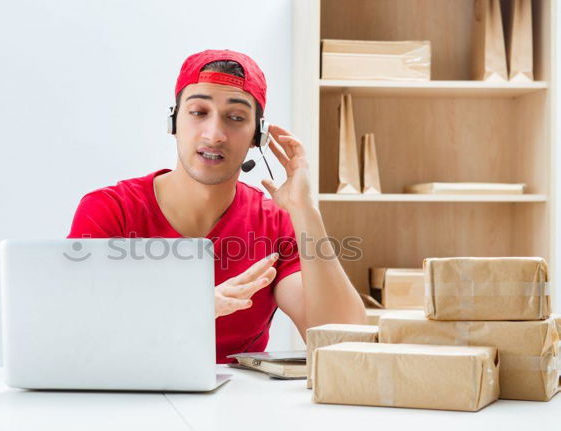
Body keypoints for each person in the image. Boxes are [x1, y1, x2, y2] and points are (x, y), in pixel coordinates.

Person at [68, 49, 366, 363]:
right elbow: (77, 331)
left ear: (258, 136)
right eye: (199, 112)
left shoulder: (276, 224)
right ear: (174, 121)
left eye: (236, 118)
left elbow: (343, 344)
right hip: (127, 399)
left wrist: (306, 212)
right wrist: (194, 308)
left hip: (236, 405)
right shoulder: (110, 210)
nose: (214, 135)